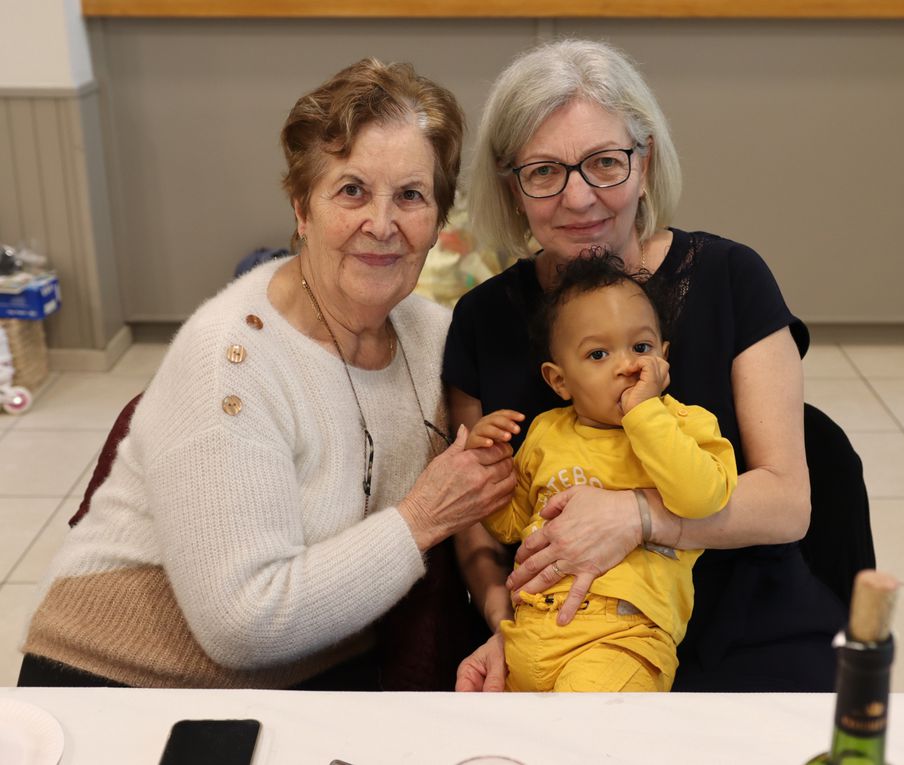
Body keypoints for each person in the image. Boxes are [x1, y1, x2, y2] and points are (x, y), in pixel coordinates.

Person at [17, 58, 515, 690]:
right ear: (302, 208)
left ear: (439, 221)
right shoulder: (230, 356)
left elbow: (483, 507)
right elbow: (242, 625)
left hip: (314, 675)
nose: (382, 224)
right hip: (127, 684)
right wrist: (420, 517)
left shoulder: (431, 334)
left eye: (411, 196)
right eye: (352, 190)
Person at [445, 38, 852, 693]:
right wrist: (504, 622)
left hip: (741, 618)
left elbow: (787, 501)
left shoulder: (730, 278)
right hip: (556, 633)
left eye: (605, 162)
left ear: (645, 159)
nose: (579, 199)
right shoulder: (482, 319)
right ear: (510, 185)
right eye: (545, 171)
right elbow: (477, 526)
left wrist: (636, 516)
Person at [465, 251, 736, 692]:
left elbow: (701, 498)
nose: (627, 365)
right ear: (559, 381)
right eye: (598, 354)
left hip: (622, 638)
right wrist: (489, 467)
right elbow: (512, 526)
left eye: (642, 348)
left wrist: (645, 413)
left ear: (664, 359)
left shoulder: (686, 424)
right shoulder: (545, 432)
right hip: (527, 637)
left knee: (583, 744)